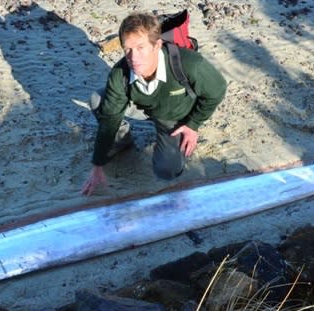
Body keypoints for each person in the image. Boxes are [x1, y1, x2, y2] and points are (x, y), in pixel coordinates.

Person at [81, 12, 227, 196]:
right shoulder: (120, 74)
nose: (133, 57)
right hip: (143, 107)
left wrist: (193, 124)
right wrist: (97, 165)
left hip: (174, 117)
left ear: (157, 45)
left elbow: (217, 90)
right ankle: (121, 141)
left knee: (167, 170)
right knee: (98, 99)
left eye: (141, 47)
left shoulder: (190, 64)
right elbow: (110, 119)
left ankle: (170, 143)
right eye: (127, 49)